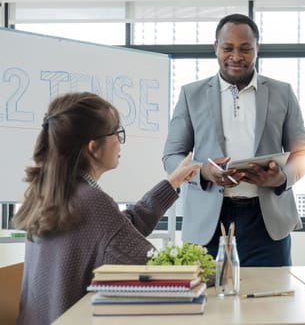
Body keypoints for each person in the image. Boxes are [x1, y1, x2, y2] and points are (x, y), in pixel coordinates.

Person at [12, 92, 201, 324]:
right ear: (93, 147)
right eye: (116, 134)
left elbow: (115, 232)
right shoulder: (91, 202)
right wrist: (209, 273)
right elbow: (154, 268)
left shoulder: (51, 191)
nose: (119, 142)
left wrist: (172, 183)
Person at [163, 13, 305, 267]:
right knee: (207, 302)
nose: (236, 56)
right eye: (227, 48)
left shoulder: (282, 93)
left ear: (257, 49)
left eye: (245, 49)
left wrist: (282, 178)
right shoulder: (191, 94)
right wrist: (204, 172)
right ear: (215, 48)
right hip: (208, 220)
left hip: (266, 222)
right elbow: (172, 157)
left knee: (270, 303)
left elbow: (303, 154)